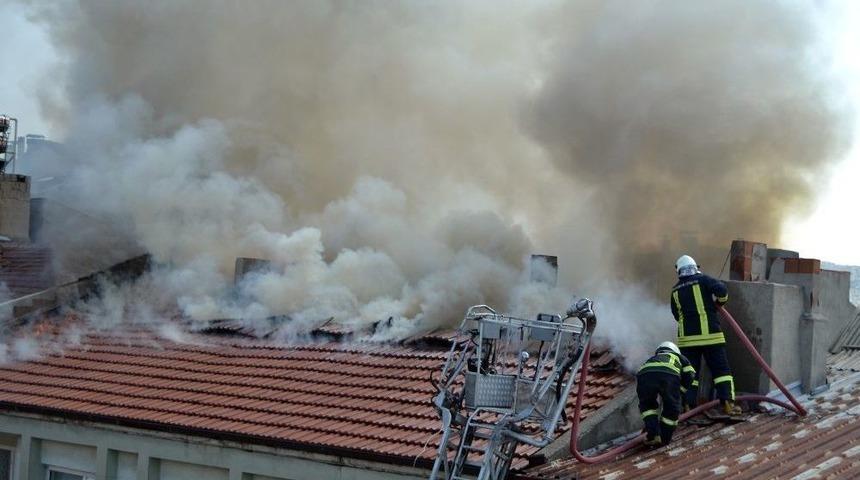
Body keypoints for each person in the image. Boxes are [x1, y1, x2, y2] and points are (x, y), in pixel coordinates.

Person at [670, 254, 743, 416]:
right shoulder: (703, 280)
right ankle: (728, 405)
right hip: (711, 337)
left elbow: (676, 315)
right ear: (695, 267)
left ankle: (688, 407)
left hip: (687, 341)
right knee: (721, 371)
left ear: (680, 271)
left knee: (690, 375)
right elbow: (722, 290)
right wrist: (720, 302)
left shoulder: (675, 290)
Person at [636, 341, 695, 446]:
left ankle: (654, 434)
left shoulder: (653, 359)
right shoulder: (678, 357)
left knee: (648, 407)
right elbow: (691, 374)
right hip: (668, 374)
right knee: (671, 408)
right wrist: (680, 390)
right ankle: (665, 438)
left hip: (644, 376)